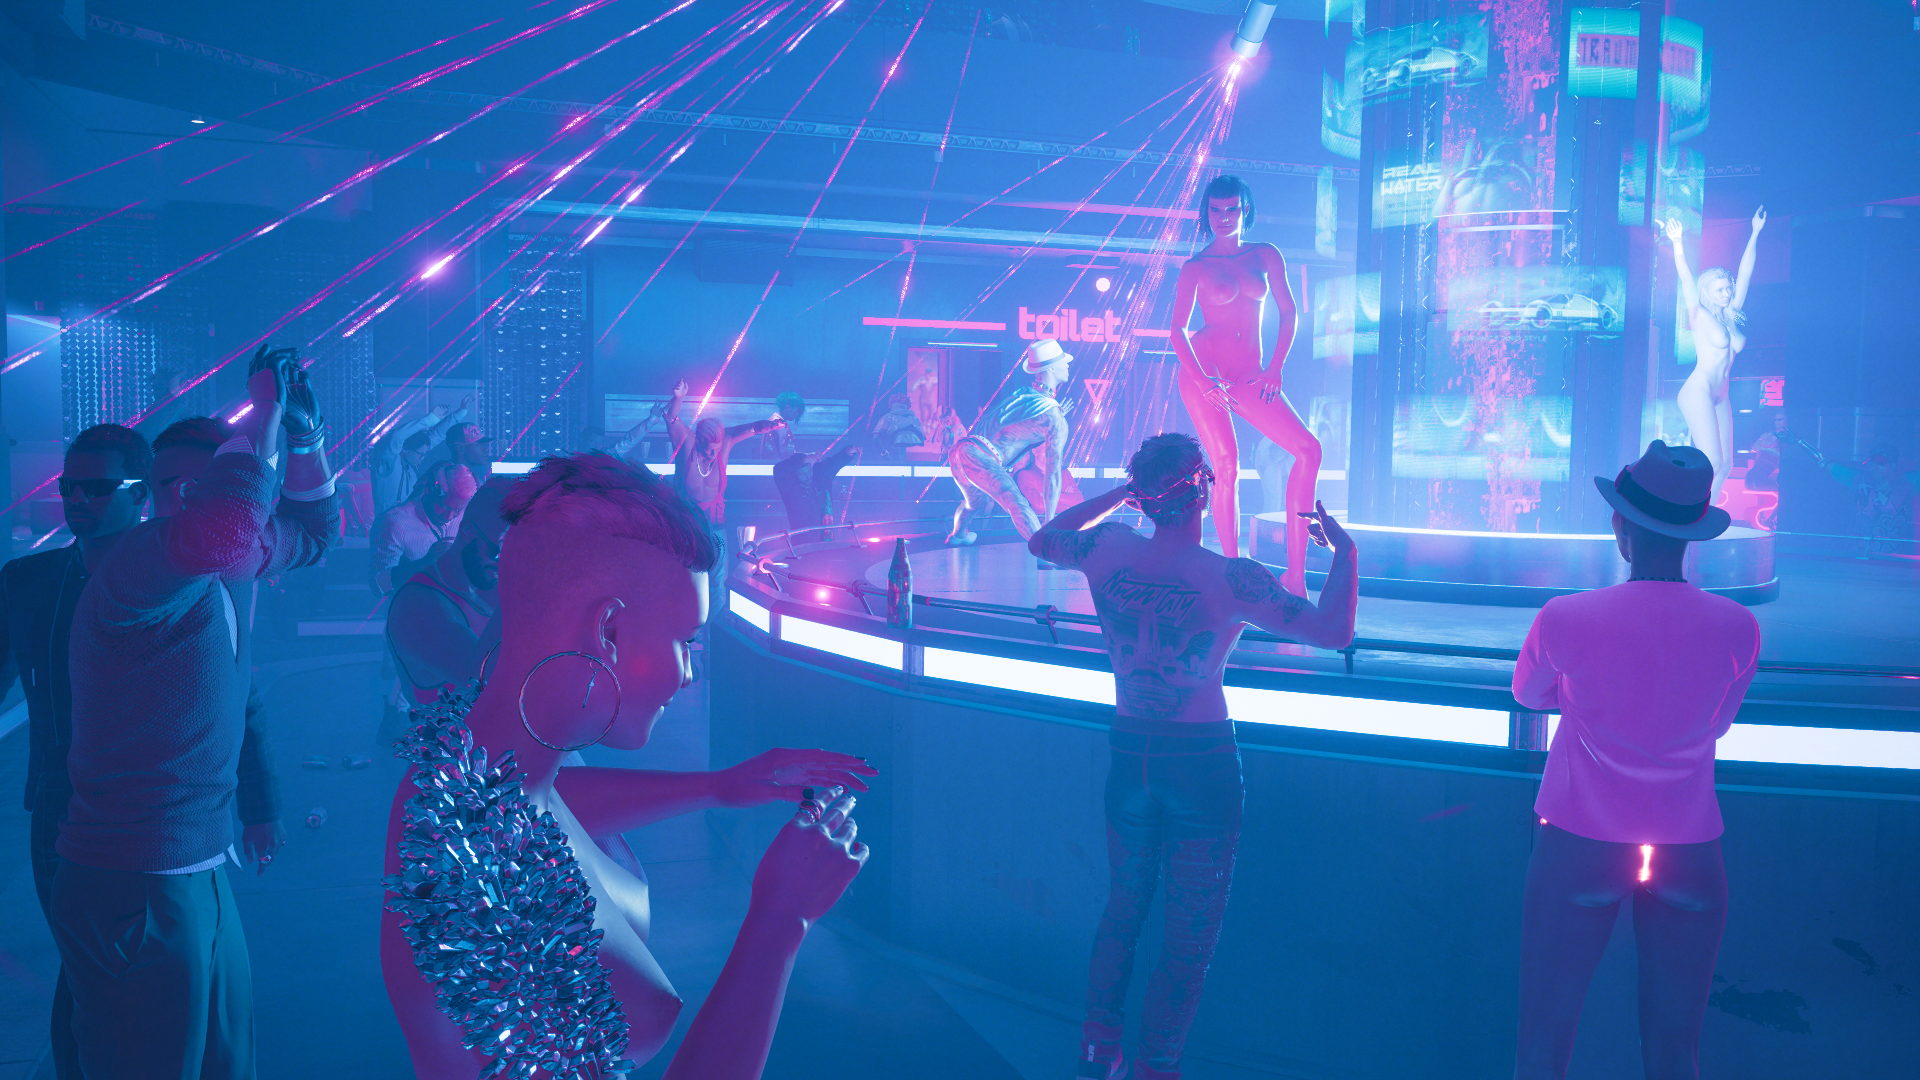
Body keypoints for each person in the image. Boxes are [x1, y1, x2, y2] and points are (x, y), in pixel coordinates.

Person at [381, 453, 876, 1078]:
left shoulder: (473, 779)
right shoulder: (480, 884)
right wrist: (781, 920)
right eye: (686, 640)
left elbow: (551, 809)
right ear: (608, 631)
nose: (690, 674)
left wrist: (721, 787)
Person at [1029, 432, 1359, 1080]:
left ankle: (1097, 1055)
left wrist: (1120, 495)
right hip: (1200, 765)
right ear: (1205, 487)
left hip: (1130, 753)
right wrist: (1345, 553)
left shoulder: (1106, 548)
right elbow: (1334, 630)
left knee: (1122, 907)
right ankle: (1156, 1069)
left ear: (1143, 496)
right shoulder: (1230, 578)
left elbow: (1044, 539)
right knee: (1188, 938)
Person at [52, 348, 337, 1079]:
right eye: (172, 485)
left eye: (203, 485)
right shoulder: (138, 565)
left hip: (193, 861)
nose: (185, 497)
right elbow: (224, 530)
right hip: (130, 872)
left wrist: (303, 437)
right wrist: (263, 413)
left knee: (223, 1059)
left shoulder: (231, 557)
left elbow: (314, 534)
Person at [1511, 441, 1760, 1080]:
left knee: (1542, 1047)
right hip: (1690, 849)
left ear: (1621, 526)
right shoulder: (1738, 627)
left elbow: (1529, 695)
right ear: (1692, 534)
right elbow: (1718, 724)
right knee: (1676, 1055)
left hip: (1579, 841)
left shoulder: (1567, 617)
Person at [1172, 174, 1320, 597]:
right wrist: (1202, 379)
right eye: (1215, 209)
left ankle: (1295, 576)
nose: (1223, 216)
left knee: (1309, 450)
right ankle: (1231, 576)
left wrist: (1276, 367)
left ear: (1246, 210)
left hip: (1253, 374)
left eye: (1231, 209)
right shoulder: (1195, 267)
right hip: (1205, 372)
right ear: (1206, 213)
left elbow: (1289, 312)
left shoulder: (1265, 254)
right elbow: (1177, 330)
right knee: (1227, 466)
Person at [1665, 207, 1765, 499]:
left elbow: (1745, 273)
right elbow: (1686, 280)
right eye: (1720, 290)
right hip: (1698, 390)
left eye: (1728, 289)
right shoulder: (1699, 313)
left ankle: (1702, 513)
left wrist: (1755, 232)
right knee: (1711, 461)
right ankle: (1681, 507)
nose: (1727, 294)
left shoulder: (1731, 314)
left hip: (1721, 393)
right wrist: (1677, 242)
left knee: (1726, 465)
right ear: (1708, 292)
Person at [385, 479, 509, 707]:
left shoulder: (489, 579)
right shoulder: (419, 607)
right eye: (498, 550)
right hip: (454, 728)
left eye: (516, 551)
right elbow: (496, 683)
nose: (505, 562)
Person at [945, 339, 1073, 546]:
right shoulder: (1053, 417)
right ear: (1051, 368)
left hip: (962, 451)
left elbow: (1017, 425)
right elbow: (1053, 472)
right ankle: (1046, 549)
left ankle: (958, 536)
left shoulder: (1025, 395)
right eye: (1063, 362)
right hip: (980, 455)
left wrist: (1055, 415)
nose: (1067, 365)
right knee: (1015, 501)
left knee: (976, 502)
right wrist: (1049, 520)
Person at [663, 378, 786, 526]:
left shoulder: (725, 442)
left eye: (717, 449)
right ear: (700, 441)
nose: (714, 455)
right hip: (685, 525)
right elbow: (671, 419)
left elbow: (754, 427)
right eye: (710, 449)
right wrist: (679, 398)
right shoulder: (687, 443)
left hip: (716, 526)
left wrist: (771, 425)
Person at [370, 461, 476, 596]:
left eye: (457, 510)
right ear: (429, 491)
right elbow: (378, 587)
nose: (449, 516)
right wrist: (424, 563)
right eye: (443, 506)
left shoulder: (468, 513)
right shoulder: (393, 522)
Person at [372, 394, 472, 514]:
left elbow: (437, 434)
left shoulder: (412, 459)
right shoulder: (388, 462)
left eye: (424, 454)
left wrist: (460, 412)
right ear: (405, 449)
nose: (422, 458)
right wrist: (430, 419)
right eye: (420, 454)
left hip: (407, 520)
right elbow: (397, 436)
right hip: (386, 522)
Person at [774, 444, 862, 531]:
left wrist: (847, 452)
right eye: (802, 474)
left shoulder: (821, 478)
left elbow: (834, 462)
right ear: (794, 474)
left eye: (808, 471)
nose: (807, 476)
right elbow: (779, 469)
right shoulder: (789, 488)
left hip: (825, 533)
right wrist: (802, 461)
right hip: (801, 534)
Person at [869, 393, 925, 460]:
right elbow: (922, 438)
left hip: (893, 458)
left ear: (891, 405)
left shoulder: (887, 417)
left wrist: (884, 453)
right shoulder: (915, 418)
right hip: (915, 459)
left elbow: (875, 438)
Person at [443, 419, 494, 484]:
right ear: (460, 448)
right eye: (479, 444)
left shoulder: (469, 476)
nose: (486, 449)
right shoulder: (446, 477)